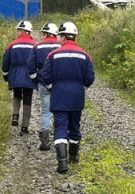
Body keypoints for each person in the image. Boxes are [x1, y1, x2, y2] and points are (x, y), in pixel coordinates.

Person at [39, 20, 94, 174]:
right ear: (74, 37)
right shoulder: (85, 56)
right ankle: (74, 156)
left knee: (60, 126)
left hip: (59, 96)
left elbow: (44, 76)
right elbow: (90, 78)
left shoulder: (52, 55)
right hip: (77, 96)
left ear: (63, 37)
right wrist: (80, 88)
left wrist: (52, 88)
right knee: (75, 126)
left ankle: (62, 162)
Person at [27, 21, 61, 151]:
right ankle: (59, 137)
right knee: (59, 110)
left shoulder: (37, 46)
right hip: (58, 83)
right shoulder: (60, 45)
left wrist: (35, 78)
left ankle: (45, 141)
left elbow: (30, 64)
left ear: (46, 33)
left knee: (45, 111)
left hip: (43, 82)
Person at [1, 20, 37, 135]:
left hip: (15, 73)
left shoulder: (12, 44)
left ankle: (15, 115)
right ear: (29, 32)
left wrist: (6, 75)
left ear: (22, 31)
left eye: (18, 30)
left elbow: (5, 62)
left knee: (17, 94)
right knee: (28, 98)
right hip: (29, 74)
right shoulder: (35, 45)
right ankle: (25, 126)